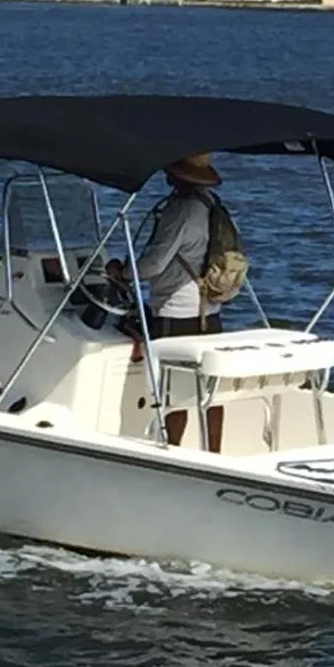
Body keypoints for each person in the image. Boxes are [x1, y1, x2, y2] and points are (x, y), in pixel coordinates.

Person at [105, 152, 228, 451]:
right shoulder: (211, 203)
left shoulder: (180, 209)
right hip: (210, 310)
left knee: (174, 391)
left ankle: (172, 450)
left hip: (177, 312)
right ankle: (215, 452)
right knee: (211, 391)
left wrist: (122, 272)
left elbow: (154, 264)